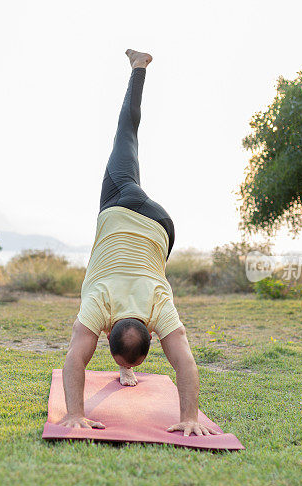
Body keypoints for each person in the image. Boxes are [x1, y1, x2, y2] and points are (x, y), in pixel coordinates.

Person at [56, 50, 220, 437]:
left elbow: (75, 360)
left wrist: (76, 414)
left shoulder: (156, 304)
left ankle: (139, 67)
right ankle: (139, 68)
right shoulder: (99, 302)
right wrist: (190, 419)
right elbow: (186, 363)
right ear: (151, 337)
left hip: (162, 230)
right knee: (126, 135)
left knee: (126, 135)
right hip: (127, 207)